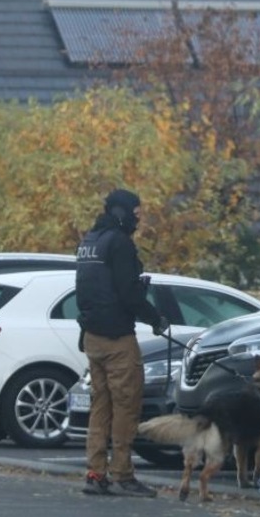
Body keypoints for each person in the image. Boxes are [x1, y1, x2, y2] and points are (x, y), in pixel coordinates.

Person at [75, 187, 170, 497]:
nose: (138, 220)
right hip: (117, 339)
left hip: (92, 338)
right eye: (137, 214)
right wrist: (156, 318)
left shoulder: (89, 242)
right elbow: (128, 293)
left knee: (100, 407)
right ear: (122, 212)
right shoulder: (120, 244)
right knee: (126, 407)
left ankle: (95, 473)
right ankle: (123, 475)